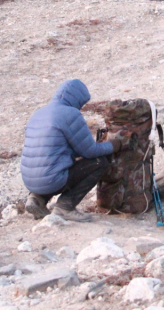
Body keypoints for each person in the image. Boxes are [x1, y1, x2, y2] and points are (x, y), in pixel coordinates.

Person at [20, 79, 126, 222]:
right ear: (76, 98)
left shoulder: (39, 113)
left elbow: (54, 148)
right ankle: (65, 206)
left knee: (48, 168)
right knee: (99, 163)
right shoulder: (70, 114)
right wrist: (114, 145)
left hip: (30, 180)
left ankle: (37, 198)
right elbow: (89, 151)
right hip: (52, 179)